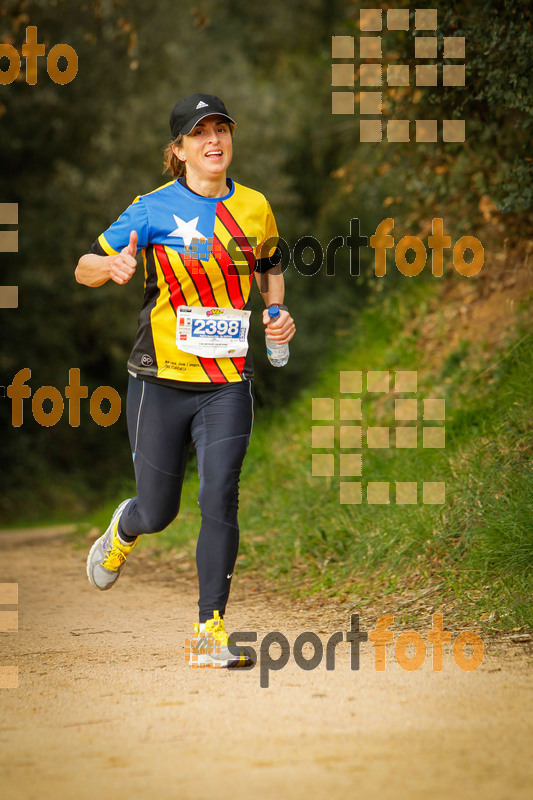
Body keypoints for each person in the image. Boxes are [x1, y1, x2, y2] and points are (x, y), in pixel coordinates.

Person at [75, 93, 295, 667]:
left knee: (220, 494)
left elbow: (271, 263)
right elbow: (84, 266)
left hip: (227, 379)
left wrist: (276, 314)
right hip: (159, 381)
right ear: (178, 150)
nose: (214, 140)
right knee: (159, 511)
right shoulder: (149, 209)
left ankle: (209, 632)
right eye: (200, 134)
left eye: (221, 129)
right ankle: (125, 528)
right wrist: (112, 266)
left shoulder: (254, 207)